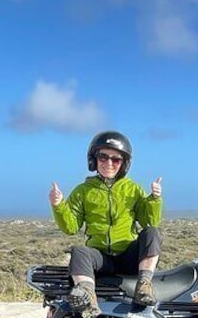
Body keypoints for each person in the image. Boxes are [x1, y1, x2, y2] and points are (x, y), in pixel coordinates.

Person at [49, 130, 163, 317]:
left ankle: (144, 286)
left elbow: (149, 221)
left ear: (123, 163)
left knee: (152, 232)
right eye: (103, 157)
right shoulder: (83, 191)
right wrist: (58, 205)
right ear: (94, 159)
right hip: (102, 259)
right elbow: (70, 227)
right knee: (79, 250)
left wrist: (154, 199)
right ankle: (87, 298)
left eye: (115, 159)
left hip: (129, 256)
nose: (109, 163)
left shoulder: (133, 189)